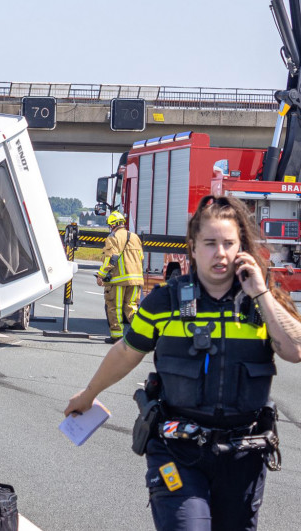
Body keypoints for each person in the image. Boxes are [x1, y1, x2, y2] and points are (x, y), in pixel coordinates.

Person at [64, 195, 301, 531]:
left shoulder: (261, 301)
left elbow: (294, 350)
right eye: (209, 243)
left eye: (229, 243)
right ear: (192, 247)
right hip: (178, 449)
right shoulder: (166, 300)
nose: (220, 253)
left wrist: (260, 292)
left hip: (243, 456)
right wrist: (89, 393)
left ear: (242, 248)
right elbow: (127, 351)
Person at [97, 210, 144, 342]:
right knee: (132, 307)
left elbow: (111, 259)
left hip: (118, 280)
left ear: (112, 225)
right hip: (136, 279)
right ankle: (141, 334)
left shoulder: (113, 238)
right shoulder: (135, 237)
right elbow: (141, 257)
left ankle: (116, 336)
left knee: (114, 307)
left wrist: (101, 275)